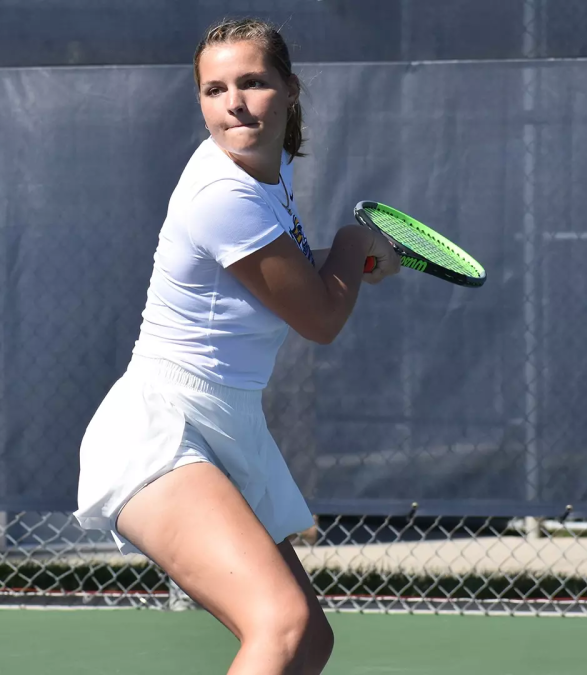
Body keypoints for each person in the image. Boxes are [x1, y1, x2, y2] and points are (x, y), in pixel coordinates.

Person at [73, 17, 400, 675]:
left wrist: (344, 258)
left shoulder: (265, 175)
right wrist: (355, 244)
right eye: (214, 89)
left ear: (290, 90)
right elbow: (320, 318)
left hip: (222, 422)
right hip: (159, 429)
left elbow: (295, 280)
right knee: (281, 623)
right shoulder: (223, 193)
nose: (234, 104)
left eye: (252, 83)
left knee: (308, 642)